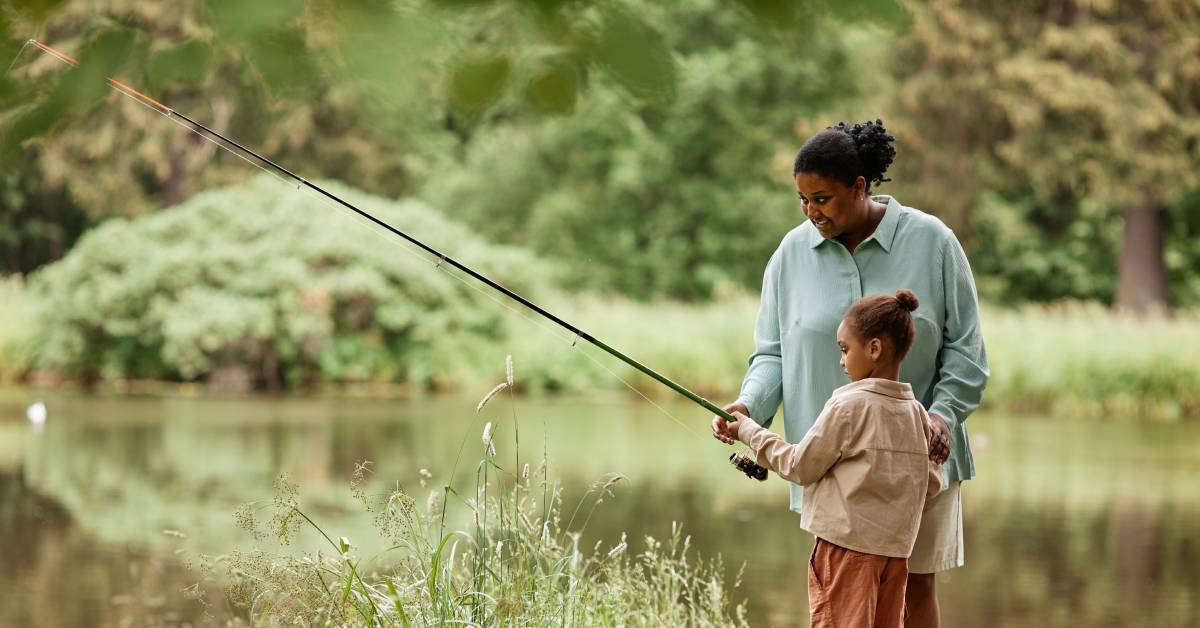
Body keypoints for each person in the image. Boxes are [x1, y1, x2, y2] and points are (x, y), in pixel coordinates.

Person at [712, 119, 989, 627]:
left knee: (915, 586)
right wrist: (749, 405)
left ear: (860, 187)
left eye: (823, 198)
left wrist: (942, 419)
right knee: (844, 597)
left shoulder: (934, 242)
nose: (810, 212)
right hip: (835, 470)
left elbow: (968, 354)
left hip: (919, 463)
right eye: (802, 200)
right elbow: (772, 353)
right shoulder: (790, 255)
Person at [716, 290, 942, 628]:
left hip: (845, 553)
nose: (841, 360)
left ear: (874, 349)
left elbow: (799, 466)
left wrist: (748, 430)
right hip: (895, 557)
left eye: (845, 349)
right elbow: (932, 484)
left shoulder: (848, 406)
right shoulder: (917, 414)